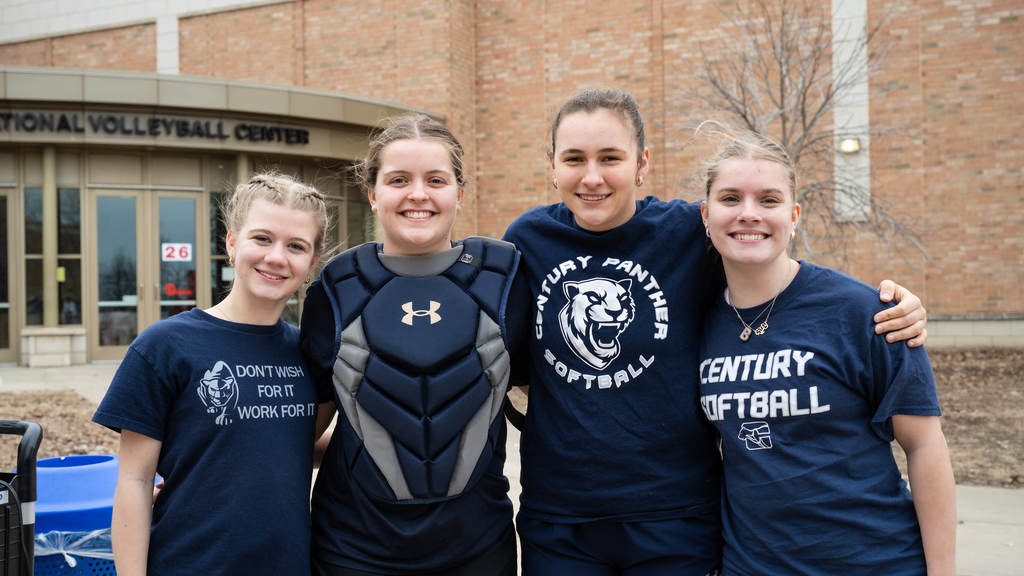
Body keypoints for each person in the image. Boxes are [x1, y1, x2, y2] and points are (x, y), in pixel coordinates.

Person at [501, 88, 929, 575]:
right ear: (552, 166)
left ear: (642, 164)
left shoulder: (689, 231)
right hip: (560, 519)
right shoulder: (528, 239)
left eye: (611, 158)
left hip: (677, 516)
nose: (592, 176)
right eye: (574, 158)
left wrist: (888, 304)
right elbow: (510, 354)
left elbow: (774, 274)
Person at [697, 126, 955, 575]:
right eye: (731, 198)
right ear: (705, 214)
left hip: (875, 563)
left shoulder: (867, 313)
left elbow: (925, 445)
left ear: (794, 215)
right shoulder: (695, 322)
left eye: (769, 200)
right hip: (752, 566)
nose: (749, 214)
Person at [300, 114, 527, 576]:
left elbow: (559, 411)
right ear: (372, 192)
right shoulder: (336, 289)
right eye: (399, 180)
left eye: (436, 180)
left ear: (460, 192)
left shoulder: (506, 281)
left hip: (477, 549)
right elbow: (298, 434)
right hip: (353, 550)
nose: (418, 194)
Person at [93, 174, 328, 576]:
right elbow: (134, 481)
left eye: (296, 246)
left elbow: (293, 444)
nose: (277, 257)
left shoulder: (311, 354)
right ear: (232, 243)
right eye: (262, 238)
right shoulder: (164, 347)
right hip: (189, 563)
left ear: (312, 262)